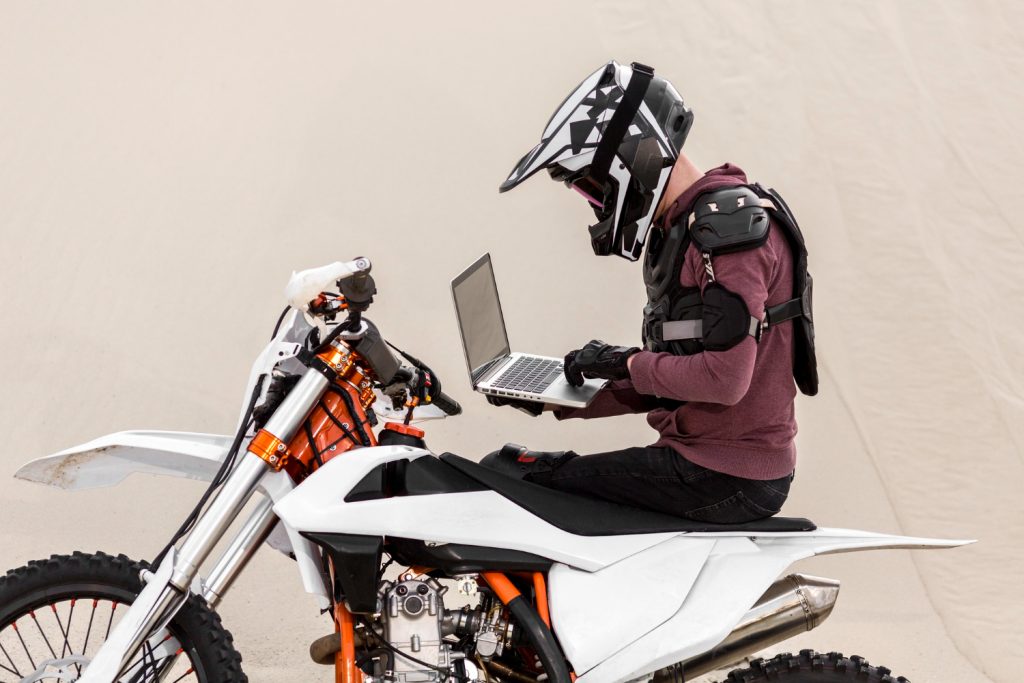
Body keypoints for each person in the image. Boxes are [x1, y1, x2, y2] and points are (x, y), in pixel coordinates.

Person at [484, 61, 818, 524]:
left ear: (632, 157)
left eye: (593, 187)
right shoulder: (687, 226)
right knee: (511, 470)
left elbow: (724, 380)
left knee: (506, 479)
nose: (597, 202)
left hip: (726, 475)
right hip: (705, 461)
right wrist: (561, 399)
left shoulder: (726, 232)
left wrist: (624, 362)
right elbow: (675, 382)